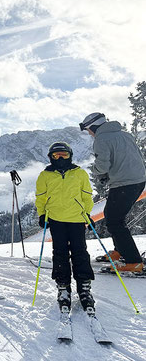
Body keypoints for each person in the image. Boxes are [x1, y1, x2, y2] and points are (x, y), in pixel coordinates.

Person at [80, 112, 146, 273]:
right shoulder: (124, 135)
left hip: (124, 183)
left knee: (114, 221)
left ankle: (133, 261)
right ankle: (121, 251)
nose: (89, 134)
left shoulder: (101, 139)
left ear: (93, 127)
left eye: (88, 130)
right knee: (112, 215)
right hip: (138, 180)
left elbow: (102, 166)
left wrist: (96, 171)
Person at [35, 142, 96, 313]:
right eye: (56, 156)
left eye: (64, 155)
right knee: (60, 252)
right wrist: (42, 214)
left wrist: (87, 213)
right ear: (50, 157)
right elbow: (40, 197)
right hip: (56, 219)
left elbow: (87, 196)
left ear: (70, 156)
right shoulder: (44, 175)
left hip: (77, 219)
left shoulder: (79, 173)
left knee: (80, 252)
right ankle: (63, 287)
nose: (60, 159)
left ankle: (84, 288)